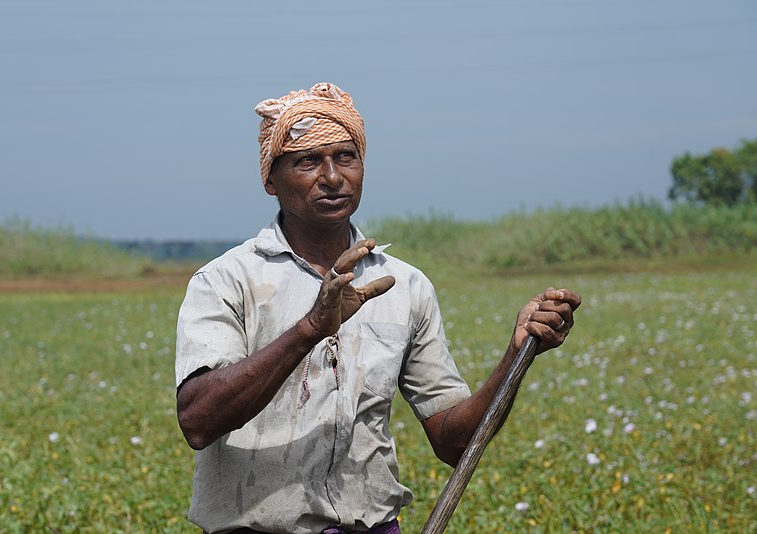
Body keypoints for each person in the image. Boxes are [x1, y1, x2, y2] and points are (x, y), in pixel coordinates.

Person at [175, 82, 581, 534]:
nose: (332, 177)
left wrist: (515, 356)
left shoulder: (405, 286)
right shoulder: (227, 280)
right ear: (271, 179)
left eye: (346, 157)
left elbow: (453, 440)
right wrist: (310, 329)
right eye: (308, 160)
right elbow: (197, 420)